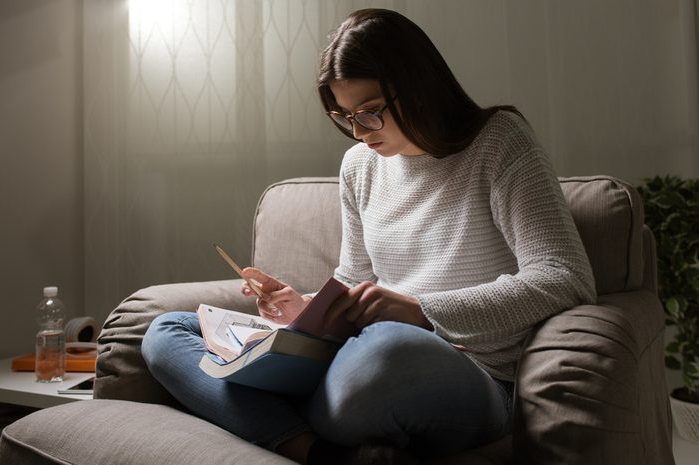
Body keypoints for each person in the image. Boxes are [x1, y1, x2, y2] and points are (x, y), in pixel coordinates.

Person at [142, 8, 596, 465]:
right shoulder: (359, 166)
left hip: (464, 369)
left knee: (388, 351)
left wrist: (421, 312)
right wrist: (300, 311)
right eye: (344, 116)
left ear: (419, 85)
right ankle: (317, 451)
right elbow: (352, 281)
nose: (358, 132)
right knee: (166, 331)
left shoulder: (498, 142)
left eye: (371, 112)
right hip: (359, 358)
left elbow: (564, 277)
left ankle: (271, 417)